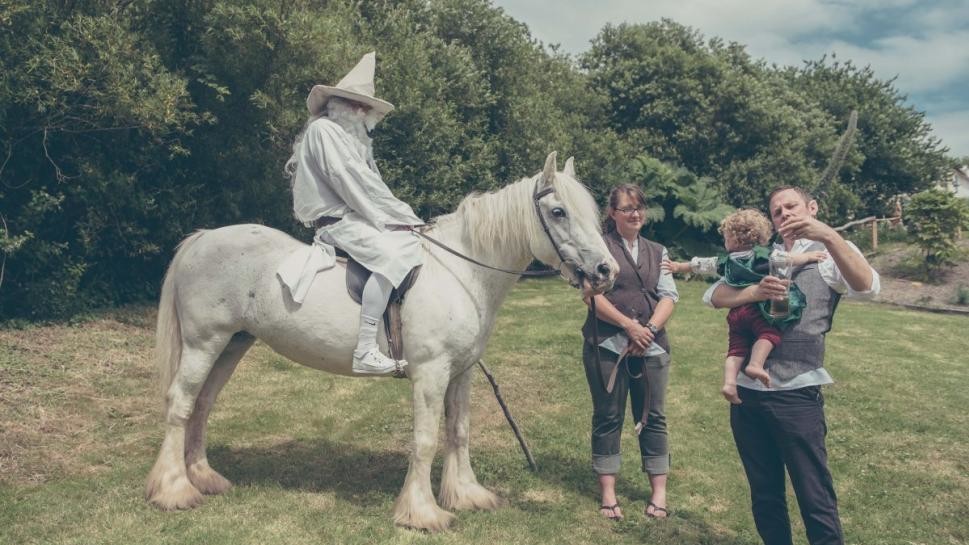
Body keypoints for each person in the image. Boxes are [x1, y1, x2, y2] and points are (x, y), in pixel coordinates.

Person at [705, 186, 880, 545]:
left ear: (811, 208)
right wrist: (755, 292)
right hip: (747, 395)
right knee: (765, 495)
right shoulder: (760, 254)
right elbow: (714, 295)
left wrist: (829, 236)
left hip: (798, 392)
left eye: (791, 207)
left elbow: (868, 286)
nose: (784, 214)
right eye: (777, 211)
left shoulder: (829, 253)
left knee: (814, 496)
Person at [285, 52, 424, 376]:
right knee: (393, 252)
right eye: (357, 104)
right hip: (337, 222)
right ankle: (365, 349)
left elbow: (372, 187)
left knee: (410, 241)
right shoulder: (324, 131)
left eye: (367, 107)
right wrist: (394, 219)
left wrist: (408, 220)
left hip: (355, 217)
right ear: (339, 104)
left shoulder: (353, 141)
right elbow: (350, 183)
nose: (364, 112)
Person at [581, 184, 677, 521]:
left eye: (639, 207)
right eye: (627, 208)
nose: (635, 213)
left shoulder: (658, 251)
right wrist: (628, 326)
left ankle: (659, 494)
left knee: (653, 418)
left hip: (652, 345)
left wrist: (647, 330)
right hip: (606, 343)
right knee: (608, 416)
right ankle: (608, 494)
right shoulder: (597, 248)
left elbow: (669, 296)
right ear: (613, 214)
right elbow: (592, 295)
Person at [664, 209, 826, 403]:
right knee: (769, 334)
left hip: (736, 312)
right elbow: (789, 260)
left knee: (736, 348)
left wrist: (679, 267)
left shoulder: (725, 261)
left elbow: (700, 265)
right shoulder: (764, 256)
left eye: (725, 238)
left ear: (734, 239)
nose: (724, 242)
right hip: (758, 311)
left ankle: (730, 382)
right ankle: (756, 364)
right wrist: (809, 257)